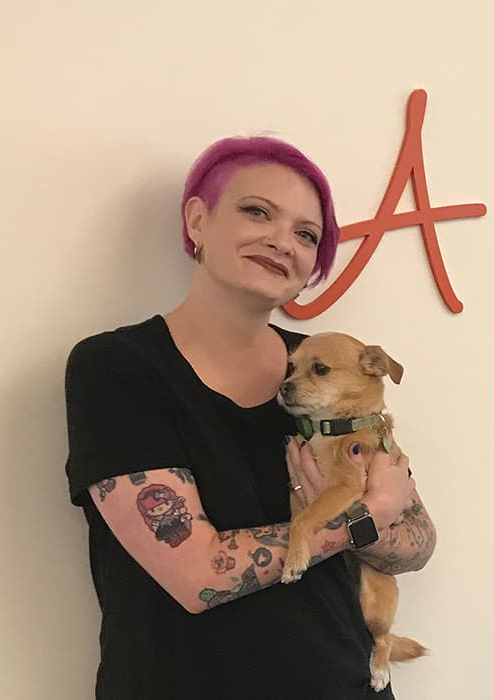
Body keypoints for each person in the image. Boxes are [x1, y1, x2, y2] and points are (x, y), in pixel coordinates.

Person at [63, 136, 436, 699]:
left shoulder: (326, 365)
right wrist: (368, 513)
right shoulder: (118, 369)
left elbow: (419, 541)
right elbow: (197, 574)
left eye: (306, 234)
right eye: (256, 211)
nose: (281, 241)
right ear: (197, 220)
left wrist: (375, 510)